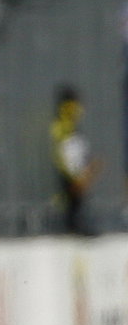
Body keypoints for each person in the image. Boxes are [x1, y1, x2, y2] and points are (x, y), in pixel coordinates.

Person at [52, 84, 99, 236]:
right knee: (72, 204)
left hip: (74, 174)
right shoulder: (63, 127)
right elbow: (66, 153)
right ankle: (73, 227)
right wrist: (76, 177)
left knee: (76, 204)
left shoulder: (68, 127)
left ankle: (75, 227)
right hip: (71, 175)